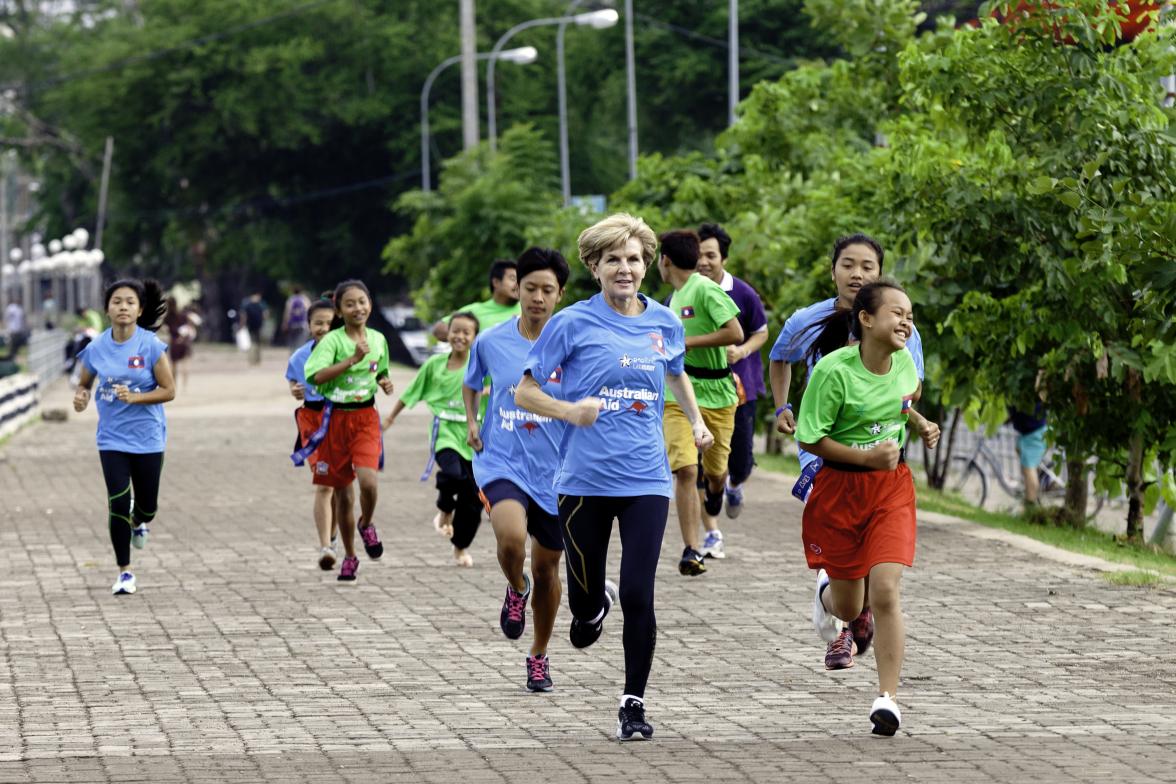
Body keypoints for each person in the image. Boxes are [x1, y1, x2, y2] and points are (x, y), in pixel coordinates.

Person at [516, 213, 713, 741]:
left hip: (647, 479)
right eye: (613, 261)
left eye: (633, 259)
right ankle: (590, 605)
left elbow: (675, 372)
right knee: (582, 606)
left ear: (647, 265)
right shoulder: (571, 323)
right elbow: (524, 391)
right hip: (582, 482)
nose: (624, 269)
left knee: (639, 593)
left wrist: (694, 420)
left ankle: (633, 704)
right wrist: (567, 410)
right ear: (594, 267)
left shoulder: (665, 323)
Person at [768, 233, 926, 670]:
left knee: (871, 572)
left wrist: (915, 422)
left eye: (868, 267)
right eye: (848, 265)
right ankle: (844, 623)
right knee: (842, 542)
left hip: (882, 458)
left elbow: (909, 389)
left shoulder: (900, 324)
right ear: (832, 269)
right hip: (825, 449)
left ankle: (850, 604)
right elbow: (779, 357)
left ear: (879, 273)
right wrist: (782, 405)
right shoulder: (808, 319)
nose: (857, 273)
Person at [796, 280, 939, 736]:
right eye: (897, 313)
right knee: (848, 602)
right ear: (866, 318)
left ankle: (888, 699)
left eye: (910, 315)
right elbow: (809, 438)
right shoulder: (833, 372)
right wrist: (865, 457)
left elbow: (901, 401)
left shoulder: (904, 368)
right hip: (839, 492)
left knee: (885, 592)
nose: (906, 321)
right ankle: (826, 595)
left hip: (890, 491)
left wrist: (918, 422)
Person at [462, 247, 570, 693]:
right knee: (509, 540)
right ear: (517, 289)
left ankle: (539, 655)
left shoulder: (574, 344)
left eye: (548, 290)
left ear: (560, 295)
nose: (538, 298)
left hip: (559, 471)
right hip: (502, 459)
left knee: (549, 572)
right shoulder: (491, 341)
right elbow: (472, 384)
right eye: (530, 288)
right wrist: (471, 420)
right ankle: (515, 587)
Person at [72, 279, 176, 595]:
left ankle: (139, 521)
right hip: (111, 439)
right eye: (117, 301)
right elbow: (84, 383)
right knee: (117, 502)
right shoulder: (96, 348)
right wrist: (81, 396)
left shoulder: (151, 346)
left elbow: (169, 391)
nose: (123, 307)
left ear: (139, 309)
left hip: (147, 438)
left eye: (130, 302)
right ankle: (125, 573)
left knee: (147, 508)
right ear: (107, 310)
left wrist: (135, 397)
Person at [657, 229, 743, 574]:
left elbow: (735, 333)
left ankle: (716, 492)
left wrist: (689, 341)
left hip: (719, 394)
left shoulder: (704, 289)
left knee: (716, 473)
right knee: (686, 469)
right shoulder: (672, 300)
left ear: (665, 261)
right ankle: (691, 549)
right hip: (679, 394)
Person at [303, 280, 394, 582]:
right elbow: (316, 376)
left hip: (366, 418)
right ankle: (351, 556)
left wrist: (384, 381)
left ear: (370, 303)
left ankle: (366, 524)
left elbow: (380, 368)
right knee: (343, 496)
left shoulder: (379, 339)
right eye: (350, 304)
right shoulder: (332, 341)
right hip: (336, 420)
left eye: (363, 301)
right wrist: (351, 359)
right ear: (340, 311)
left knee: (368, 483)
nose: (358, 308)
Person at [385, 312, 483, 567]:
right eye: (456, 331)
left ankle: (460, 546)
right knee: (452, 475)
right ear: (447, 333)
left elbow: (505, 386)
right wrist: (390, 419)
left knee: (473, 501)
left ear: (474, 337)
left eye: (466, 332)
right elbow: (411, 392)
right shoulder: (434, 365)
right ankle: (444, 510)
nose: (460, 336)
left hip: (475, 438)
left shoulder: (481, 364)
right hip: (445, 434)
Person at [695, 223, 769, 520]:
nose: (703, 261)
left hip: (739, 389)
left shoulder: (743, 293)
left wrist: (741, 351)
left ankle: (735, 485)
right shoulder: (683, 294)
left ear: (723, 258)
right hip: (698, 388)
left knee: (740, 462)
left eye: (710, 255)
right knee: (699, 459)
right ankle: (709, 516)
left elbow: (761, 332)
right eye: (698, 255)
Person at [287, 297, 340, 569]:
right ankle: (325, 546)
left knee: (340, 486)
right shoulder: (299, 357)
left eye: (329, 323)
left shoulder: (347, 352)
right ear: (308, 326)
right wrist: (296, 391)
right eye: (318, 323)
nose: (323, 328)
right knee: (323, 484)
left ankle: (333, 532)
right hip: (314, 421)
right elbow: (295, 387)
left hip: (343, 418)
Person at [431, 259, 520, 342]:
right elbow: (438, 329)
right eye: (512, 279)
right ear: (496, 282)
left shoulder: (528, 309)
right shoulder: (475, 311)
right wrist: (471, 337)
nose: (517, 284)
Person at [1009, 405, 1048, 506]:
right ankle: (1041, 480)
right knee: (1019, 451)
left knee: (1028, 468)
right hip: (1030, 433)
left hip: (1035, 432)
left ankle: (1030, 506)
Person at [163, 297, 194, 390]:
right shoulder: (183, 315)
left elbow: (164, 329)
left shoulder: (168, 317)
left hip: (173, 342)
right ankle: (185, 386)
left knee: (173, 365)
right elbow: (189, 326)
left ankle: (174, 385)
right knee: (185, 364)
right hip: (184, 342)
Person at [239, 291, 268, 365]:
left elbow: (243, 315)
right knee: (258, 342)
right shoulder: (261, 304)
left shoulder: (247, 304)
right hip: (259, 325)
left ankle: (251, 360)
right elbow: (265, 315)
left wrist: (242, 324)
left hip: (250, 325)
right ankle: (257, 359)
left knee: (251, 342)